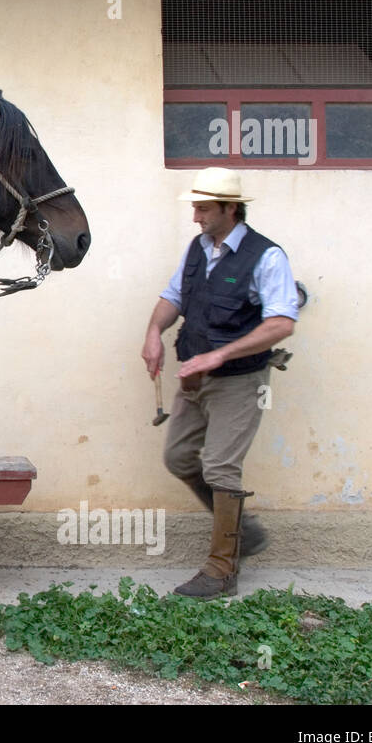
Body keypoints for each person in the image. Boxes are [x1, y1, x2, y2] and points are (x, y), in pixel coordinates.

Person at [140, 167, 298, 598]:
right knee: (178, 458)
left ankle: (221, 568)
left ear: (232, 209)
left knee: (220, 467)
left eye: (204, 208)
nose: (196, 216)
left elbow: (282, 323)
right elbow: (173, 297)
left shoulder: (267, 257)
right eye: (195, 207)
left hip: (240, 381)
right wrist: (154, 333)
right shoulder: (197, 248)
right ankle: (242, 531)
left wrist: (221, 354)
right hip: (194, 377)